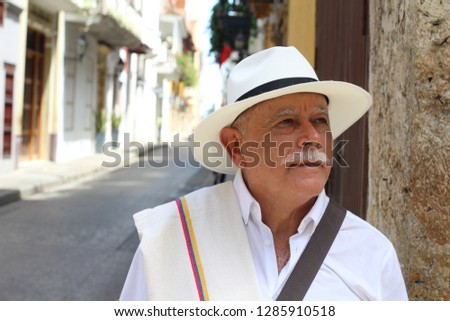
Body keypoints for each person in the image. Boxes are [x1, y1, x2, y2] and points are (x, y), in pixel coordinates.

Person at [120, 46, 408, 301]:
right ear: (236, 147)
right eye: (286, 122)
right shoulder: (168, 240)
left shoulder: (373, 255)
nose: (312, 137)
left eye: (320, 120)